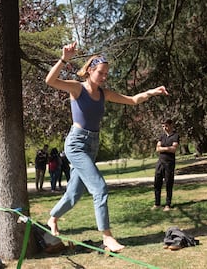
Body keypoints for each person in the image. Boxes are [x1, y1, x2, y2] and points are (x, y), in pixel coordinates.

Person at [45, 41, 169, 252]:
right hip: (76, 144)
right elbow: (50, 80)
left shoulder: (104, 94)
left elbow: (132, 100)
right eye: (101, 73)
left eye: (106, 74)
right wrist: (64, 58)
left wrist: (152, 92)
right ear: (90, 70)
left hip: (92, 144)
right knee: (100, 188)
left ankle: (52, 218)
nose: (104, 77)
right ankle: (107, 237)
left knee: (74, 194)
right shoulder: (77, 88)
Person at [152, 119, 179, 212]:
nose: (164, 128)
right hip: (160, 162)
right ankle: (157, 203)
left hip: (169, 163)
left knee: (168, 183)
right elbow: (157, 149)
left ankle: (168, 204)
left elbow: (173, 149)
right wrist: (167, 148)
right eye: (163, 126)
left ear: (171, 125)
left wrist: (163, 148)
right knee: (157, 183)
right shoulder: (162, 136)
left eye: (166, 126)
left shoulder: (175, 136)